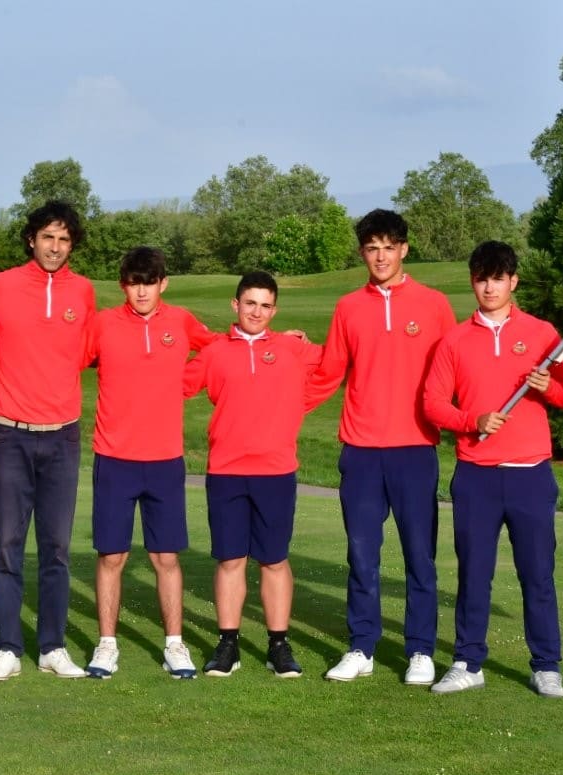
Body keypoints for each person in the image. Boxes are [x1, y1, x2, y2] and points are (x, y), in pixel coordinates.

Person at [422, 240, 563, 697]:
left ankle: (546, 665)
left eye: (498, 278)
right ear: (472, 281)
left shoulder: (543, 333)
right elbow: (433, 403)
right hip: (476, 474)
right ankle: (469, 661)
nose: (489, 287)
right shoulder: (454, 339)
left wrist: (549, 386)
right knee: (474, 572)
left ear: (513, 281)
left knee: (537, 573)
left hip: (531, 473)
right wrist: (472, 421)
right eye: (481, 278)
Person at [308, 209, 457, 685]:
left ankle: (420, 650)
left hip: (415, 448)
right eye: (372, 248)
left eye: (388, 247)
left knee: (419, 555)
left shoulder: (434, 305)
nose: (380, 256)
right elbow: (328, 371)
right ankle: (362, 646)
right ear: (362, 253)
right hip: (362, 449)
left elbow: (455, 373)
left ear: (404, 250)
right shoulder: (349, 307)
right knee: (361, 553)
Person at [81, 246, 219, 679]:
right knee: (112, 557)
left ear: (163, 283)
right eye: (133, 282)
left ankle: (174, 645)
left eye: (149, 281)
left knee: (166, 558)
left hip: (164, 460)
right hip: (114, 457)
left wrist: (189, 381)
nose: (141, 291)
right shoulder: (103, 324)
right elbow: (65, 360)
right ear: (124, 284)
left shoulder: (180, 321)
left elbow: (221, 349)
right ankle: (107, 645)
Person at [183, 272, 323, 678]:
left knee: (274, 560)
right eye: (250, 303)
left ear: (274, 310)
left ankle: (278, 645)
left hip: (276, 471)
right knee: (230, 559)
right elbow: (173, 385)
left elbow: (338, 361)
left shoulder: (291, 348)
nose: (256, 312)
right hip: (226, 470)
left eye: (265, 305)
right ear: (235, 305)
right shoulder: (213, 353)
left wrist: (300, 402)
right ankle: (228, 643)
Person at [0, 202, 94, 682]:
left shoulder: (83, 292)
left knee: (57, 548)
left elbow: (90, 352)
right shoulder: (0, 286)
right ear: (31, 239)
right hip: (9, 435)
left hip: (62, 438)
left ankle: (52, 647)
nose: (56, 247)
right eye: (48, 237)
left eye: (64, 240)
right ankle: (7, 647)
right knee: (8, 546)